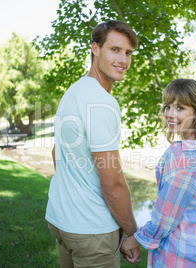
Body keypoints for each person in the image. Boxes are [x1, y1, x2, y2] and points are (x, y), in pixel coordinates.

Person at [46, 20, 141, 267]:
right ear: (95, 49)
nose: (123, 60)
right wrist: (132, 232)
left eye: (128, 52)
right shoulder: (102, 103)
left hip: (61, 221)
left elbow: (57, 151)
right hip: (92, 231)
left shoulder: (74, 91)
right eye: (115, 49)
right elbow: (113, 184)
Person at [121, 79, 196, 267]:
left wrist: (133, 241)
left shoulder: (182, 156)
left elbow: (164, 218)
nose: (170, 114)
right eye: (167, 107)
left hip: (178, 259)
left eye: (180, 108)